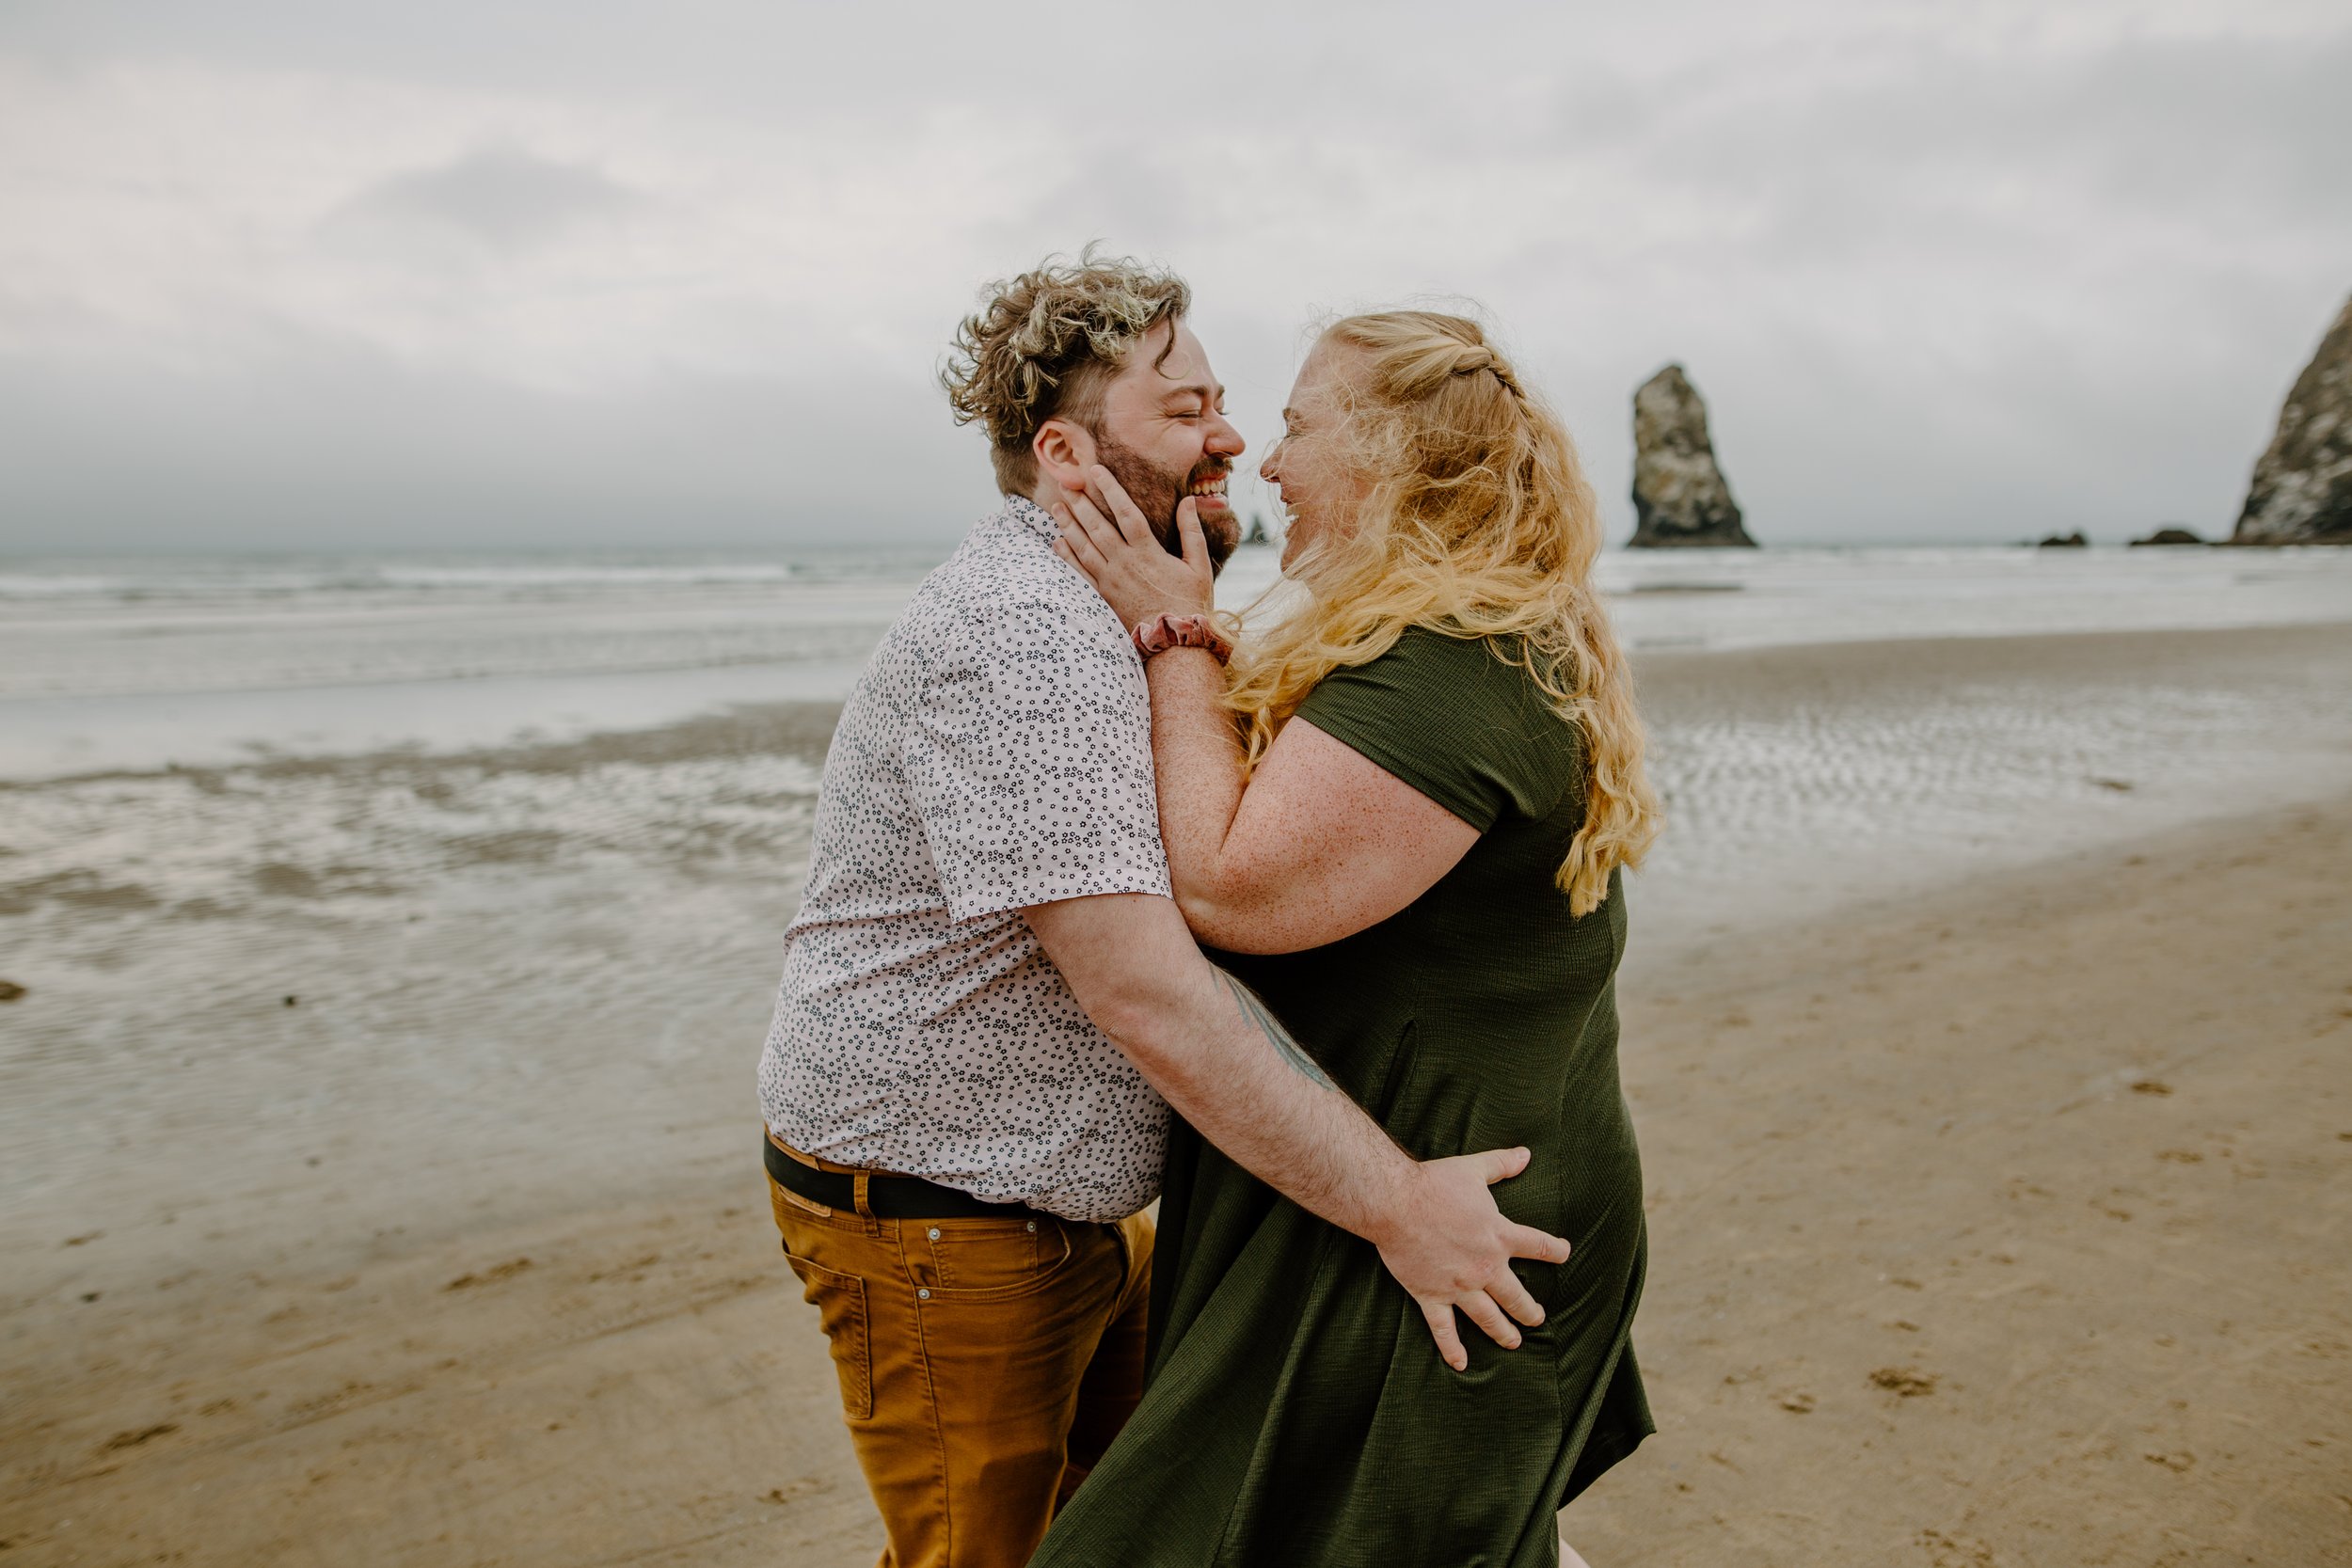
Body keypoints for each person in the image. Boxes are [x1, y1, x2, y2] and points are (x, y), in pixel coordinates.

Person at [755, 260, 1572, 1568]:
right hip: (934, 1213)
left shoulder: (1124, 614)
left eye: (1229, 403)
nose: (1233, 440)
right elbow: (1142, 985)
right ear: (1068, 452)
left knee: (1140, 1533)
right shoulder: (1023, 638)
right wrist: (1397, 1206)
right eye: (1188, 410)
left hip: (1056, 1202)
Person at [1035, 309, 1663, 1567]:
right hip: (1403, 1197)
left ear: (1390, 457)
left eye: (1300, 427)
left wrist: (1175, 634)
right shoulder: (1449, 630)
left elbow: (1230, 890)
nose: (1265, 463)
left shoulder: (1453, 661)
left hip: (1453, 1233)